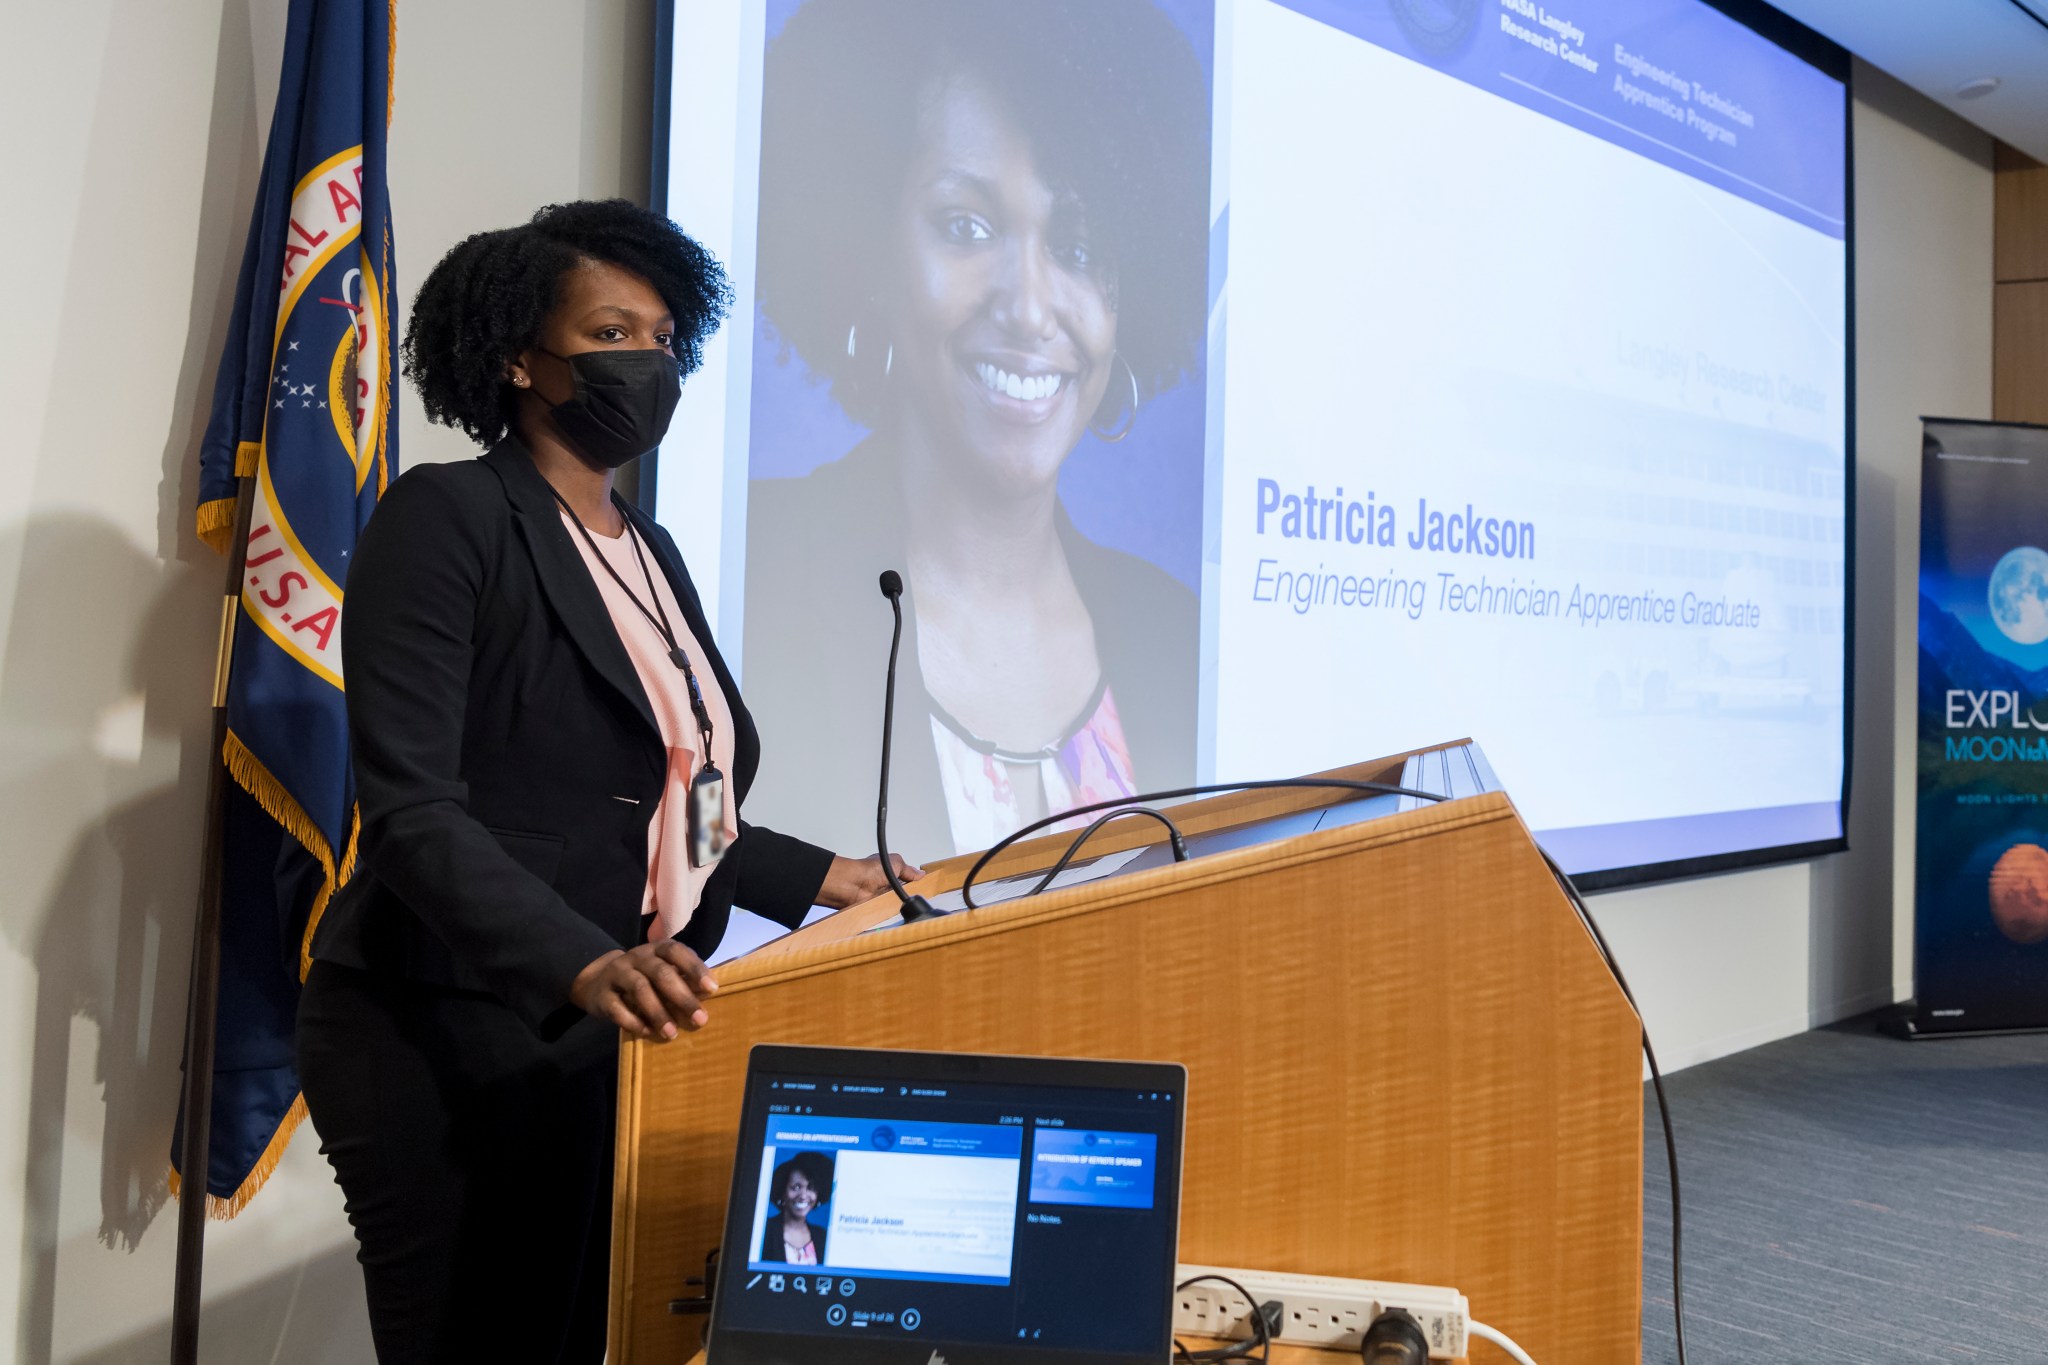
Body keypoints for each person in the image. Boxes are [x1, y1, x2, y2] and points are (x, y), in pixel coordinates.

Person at [295, 199, 918, 1365]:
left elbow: (666, 799)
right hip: (444, 1021)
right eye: (612, 332)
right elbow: (413, 811)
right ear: (520, 358)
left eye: (666, 336)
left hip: (606, 1021)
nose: (651, 362)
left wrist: (828, 875)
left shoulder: (647, 546)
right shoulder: (450, 518)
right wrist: (580, 962)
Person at [743, 0, 1212, 859]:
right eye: (967, 227)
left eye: (1075, 246)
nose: (1029, 309)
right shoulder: (747, 570)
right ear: (867, 250)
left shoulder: (1175, 635)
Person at [756, 1151, 835, 1264]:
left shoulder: (822, 1236)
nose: (803, 1196)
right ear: (782, 1191)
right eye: (796, 1187)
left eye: (810, 1188)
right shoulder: (764, 1231)